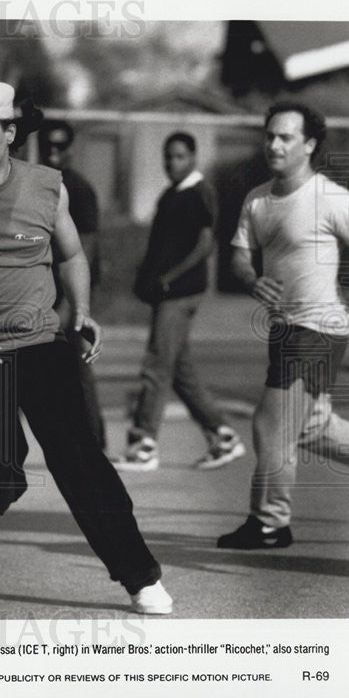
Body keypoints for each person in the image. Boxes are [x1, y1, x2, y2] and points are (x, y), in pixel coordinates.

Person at [0, 80, 172, 614]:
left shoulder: (49, 186)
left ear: (11, 131)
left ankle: (140, 577)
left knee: (82, 462)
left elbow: (70, 255)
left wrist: (84, 310)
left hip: (44, 343)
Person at [218, 101, 349, 549]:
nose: (274, 144)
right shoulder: (258, 200)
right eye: (269, 135)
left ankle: (270, 523)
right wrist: (252, 280)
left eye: (286, 137)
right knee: (310, 428)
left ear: (309, 145)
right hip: (286, 329)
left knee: (271, 423)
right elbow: (239, 258)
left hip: (319, 329)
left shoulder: (330, 197)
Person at [114, 132, 246, 472]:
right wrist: (146, 279)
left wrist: (172, 277)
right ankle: (222, 435)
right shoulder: (169, 195)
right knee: (179, 371)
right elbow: (160, 246)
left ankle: (143, 444)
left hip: (181, 293)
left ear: (193, 158)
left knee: (156, 365)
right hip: (165, 293)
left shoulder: (201, 194)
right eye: (168, 157)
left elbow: (206, 245)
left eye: (180, 157)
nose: (173, 163)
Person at [41, 122, 107, 449]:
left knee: (77, 364)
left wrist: (74, 305)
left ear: (69, 149)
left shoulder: (79, 190)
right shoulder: (38, 184)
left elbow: (87, 254)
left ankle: (95, 442)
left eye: (59, 146)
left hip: (70, 291)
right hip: (44, 290)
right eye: (47, 146)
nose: (52, 153)